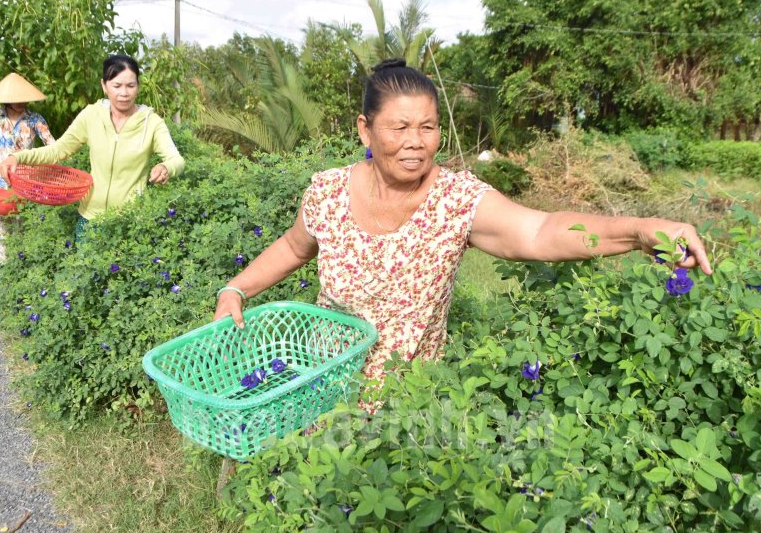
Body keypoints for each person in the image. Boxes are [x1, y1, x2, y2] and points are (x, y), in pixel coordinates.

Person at [214, 58, 713, 384]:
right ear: (365, 127)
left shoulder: (455, 199)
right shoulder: (327, 190)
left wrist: (640, 230)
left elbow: (539, 232)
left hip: (410, 402)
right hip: (319, 380)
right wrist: (235, 289)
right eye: (400, 127)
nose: (416, 141)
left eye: (428, 127)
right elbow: (293, 247)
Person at [0, 54, 185, 238]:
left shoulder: (151, 123)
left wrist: (166, 167)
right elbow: (58, 149)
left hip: (131, 222)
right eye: (116, 85)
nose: (124, 93)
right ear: (104, 86)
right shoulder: (91, 115)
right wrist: (18, 157)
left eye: (130, 85)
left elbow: (176, 159)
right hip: (90, 220)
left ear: (138, 86)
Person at [0, 73, 56, 264]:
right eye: (16, 98)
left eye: (24, 98)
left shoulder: (35, 119)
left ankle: (21, 266)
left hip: (26, 178)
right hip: (0, 177)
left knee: (24, 219)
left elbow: (52, 145)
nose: (21, 102)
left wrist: (52, 167)